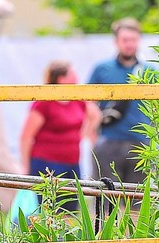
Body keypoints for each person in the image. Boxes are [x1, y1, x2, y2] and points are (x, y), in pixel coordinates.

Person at [19, 60, 100, 213]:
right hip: (46, 165)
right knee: (48, 210)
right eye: (72, 73)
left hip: (71, 164)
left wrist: (81, 135)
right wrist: (25, 166)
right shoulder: (44, 103)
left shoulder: (77, 100)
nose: (76, 77)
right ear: (62, 79)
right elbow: (26, 136)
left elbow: (95, 115)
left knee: (71, 210)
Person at [89, 17, 150, 185]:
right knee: (106, 202)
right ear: (116, 41)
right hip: (108, 142)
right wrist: (92, 136)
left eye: (133, 40)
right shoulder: (102, 69)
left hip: (141, 144)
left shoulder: (150, 71)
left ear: (139, 40)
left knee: (139, 203)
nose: (129, 44)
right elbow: (88, 103)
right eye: (125, 40)